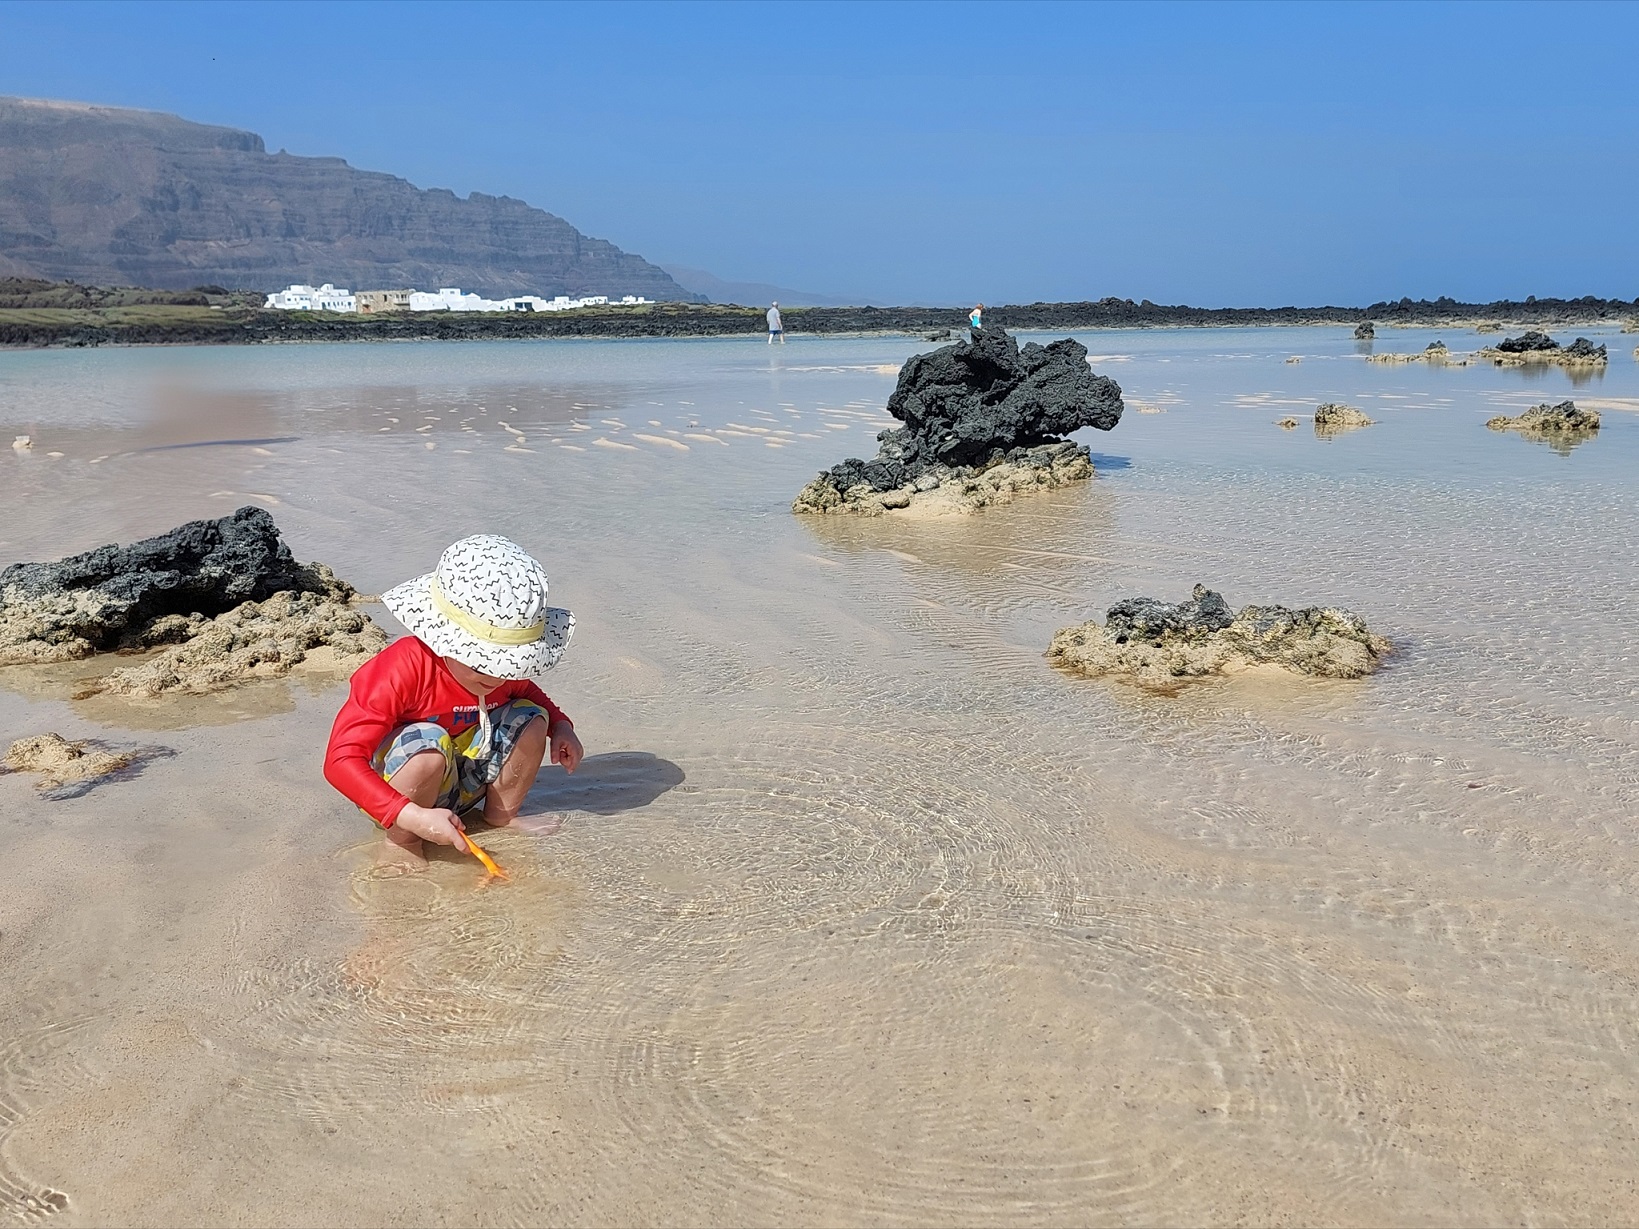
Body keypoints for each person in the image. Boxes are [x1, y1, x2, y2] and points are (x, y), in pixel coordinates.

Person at [323, 534, 583, 867]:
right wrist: (409, 816)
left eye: (509, 664)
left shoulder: (502, 676)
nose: (497, 676)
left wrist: (561, 726)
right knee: (427, 746)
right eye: (484, 662)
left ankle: (501, 816)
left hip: (463, 779)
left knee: (532, 719)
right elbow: (340, 760)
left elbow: (529, 693)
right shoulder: (401, 669)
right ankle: (403, 842)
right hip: (401, 792)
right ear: (443, 637)